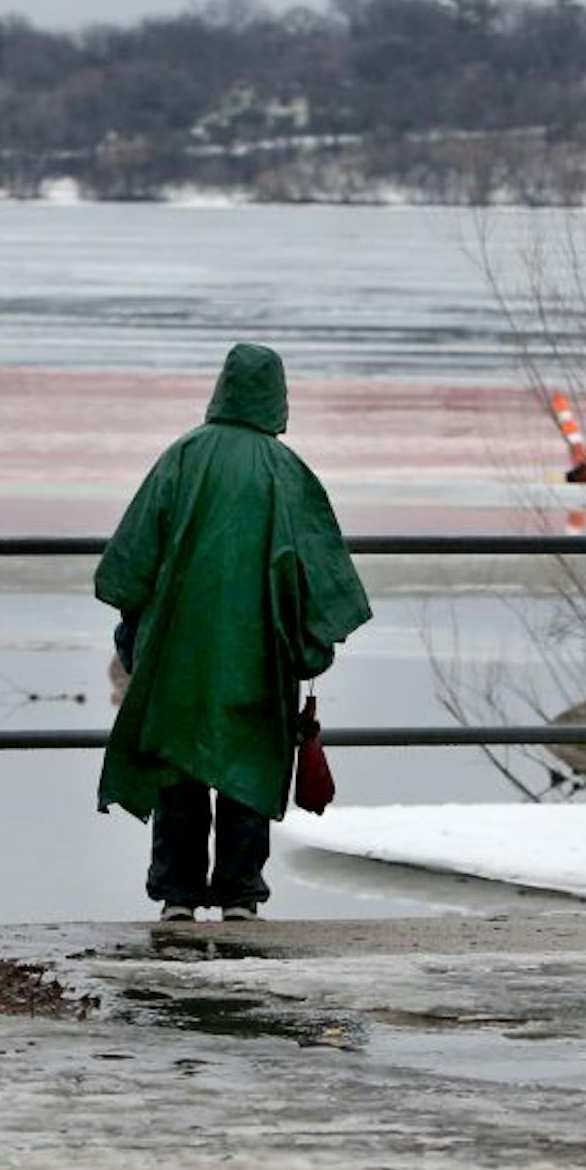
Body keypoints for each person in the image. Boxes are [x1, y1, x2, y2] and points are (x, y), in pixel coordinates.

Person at [95, 342, 372, 922]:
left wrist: (134, 636)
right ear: (277, 396)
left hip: (180, 653)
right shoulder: (287, 471)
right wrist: (311, 644)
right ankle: (241, 895)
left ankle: (177, 896)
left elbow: (132, 560)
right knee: (248, 765)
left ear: (222, 387)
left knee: (182, 765)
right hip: (258, 652)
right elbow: (321, 572)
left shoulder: (182, 458)